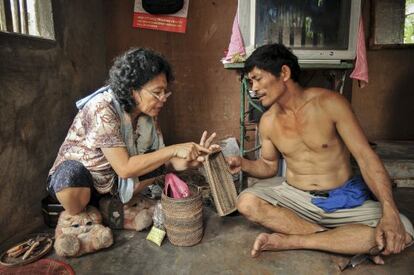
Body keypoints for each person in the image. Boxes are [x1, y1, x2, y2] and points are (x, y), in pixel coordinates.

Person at [227, 43, 413, 264]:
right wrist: (244, 164)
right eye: (250, 82)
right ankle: (340, 240)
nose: (254, 88)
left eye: (257, 78)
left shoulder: (331, 104)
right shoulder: (268, 122)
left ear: (284, 73)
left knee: (404, 230)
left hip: (342, 200)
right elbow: (269, 166)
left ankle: (294, 240)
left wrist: (389, 212)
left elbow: (366, 157)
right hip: (297, 198)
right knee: (246, 203)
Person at [47, 48, 217, 218]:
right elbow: (125, 168)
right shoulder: (102, 108)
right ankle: (82, 213)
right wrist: (174, 149)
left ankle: (108, 208)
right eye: (157, 92)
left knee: (153, 160)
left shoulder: (147, 115)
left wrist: (191, 161)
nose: (163, 98)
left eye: (165, 91)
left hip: (112, 186)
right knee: (70, 175)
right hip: (86, 183)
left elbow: (163, 162)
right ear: (132, 90)